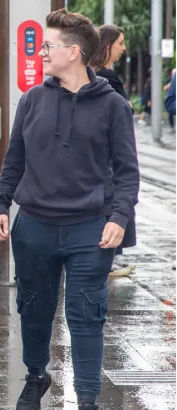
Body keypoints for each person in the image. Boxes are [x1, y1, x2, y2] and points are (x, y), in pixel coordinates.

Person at [0, 9, 139, 410]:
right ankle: (37, 375)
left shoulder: (113, 107)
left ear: (73, 53)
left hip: (89, 230)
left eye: (49, 45)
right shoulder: (32, 100)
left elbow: (127, 172)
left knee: (86, 316)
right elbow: (13, 160)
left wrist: (118, 217)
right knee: (34, 311)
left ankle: (88, 405)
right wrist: (1, 205)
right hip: (34, 225)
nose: (41, 52)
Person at [88, 25, 136, 278]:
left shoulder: (91, 75)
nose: (123, 48)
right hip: (108, 157)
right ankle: (111, 255)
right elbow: (124, 110)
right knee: (116, 195)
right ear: (107, 45)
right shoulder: (108, 78)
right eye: (120, 42)